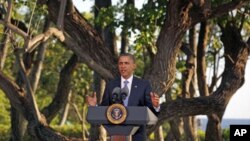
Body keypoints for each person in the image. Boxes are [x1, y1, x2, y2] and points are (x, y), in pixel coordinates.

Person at [87, 53, 160, 141]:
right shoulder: (111, 85)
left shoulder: (143, 85)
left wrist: (155, 106)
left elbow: (151, 112)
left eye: (126, 63)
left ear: (134, 66)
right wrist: (94, 107)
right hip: (116, 135)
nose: (123, 66)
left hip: (138, 137)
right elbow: (105, 110)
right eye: (120, 63)